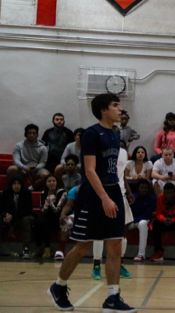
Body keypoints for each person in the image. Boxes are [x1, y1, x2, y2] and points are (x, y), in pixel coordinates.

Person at [47, 93, 136, 312]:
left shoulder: (115, 135)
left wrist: (115, 194)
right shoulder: (91, 134)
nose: (120, 109)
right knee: (83, 246)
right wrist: (104, 198)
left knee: (115, 244)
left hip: (113, 190)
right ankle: (58, 287)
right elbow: (89, 170)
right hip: (94, 195)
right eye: (116, 105)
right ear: (103, 110)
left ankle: (112, 297)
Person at [92, 148, 135, 281]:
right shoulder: (99, 151)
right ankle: (96, 266)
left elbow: (122, 176)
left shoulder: (123, 153)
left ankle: (120, 264)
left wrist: (128, 192)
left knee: (123, 231)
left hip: (120, 194)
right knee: (99, 232)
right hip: (103, 194)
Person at [149, 183, 175, 263]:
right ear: (164, 193)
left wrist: (173, 220)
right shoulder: (161, 198)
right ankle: (158, 251)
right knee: (156, 224)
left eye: (171, 193)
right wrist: (164, 219)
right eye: (167, 193)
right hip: (165, 221)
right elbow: (158, 213)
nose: (169, 195)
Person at [0, 174, 35, 258]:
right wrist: (5, 215)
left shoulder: (26, 192)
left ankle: (26, 249)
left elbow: (27, 210)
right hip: (10, 217)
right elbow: (1, 208)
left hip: (24, 216)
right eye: (14, 183)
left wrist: (13, 216)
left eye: (18, 183)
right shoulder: (6, 193)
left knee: (26, 220)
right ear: (11, 185)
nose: (16, 186)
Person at [33, 175, 67, 259]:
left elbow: (56, 210)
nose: (52, 183)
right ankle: (39, 247)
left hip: (58, 217)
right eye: (49, 181)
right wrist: (47, 198)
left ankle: (48, 249)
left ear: (57, 182)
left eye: (53, 181)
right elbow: (42, 210)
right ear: (45, 184)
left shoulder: (62, 192)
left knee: (43, 223)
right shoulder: (43, 193)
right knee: (36, 222)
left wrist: (50, 196)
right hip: (48, 216)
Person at [7, 123, 49, 191]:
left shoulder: (43, 148)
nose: (31, 135)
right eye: (29, 133)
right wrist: (23, 167)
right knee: (11, 169)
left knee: (46, 175)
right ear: (26, 134)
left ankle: (31, 189)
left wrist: (36, 168)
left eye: (33, 133)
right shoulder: (19, 145)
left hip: (36, 169)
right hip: (22, 168)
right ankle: (12, 190)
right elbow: (15, 159)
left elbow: (43, 162)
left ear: (37, 134)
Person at [128, 179, 156, 262]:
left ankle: (141, 254)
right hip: (131, 221)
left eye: (146, 188)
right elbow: (128, 212)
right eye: (142, 187)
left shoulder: (152, 199)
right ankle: (118, 253)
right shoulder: (133, 197)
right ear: (138, 188)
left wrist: (133, 219)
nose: (144, 190)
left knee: (143, 223)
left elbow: (146, 215)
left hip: (142, 220)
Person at [56, 185, 78, 260]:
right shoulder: (75, 190)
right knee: (66, 221)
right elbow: (68, 205)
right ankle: (61, 250)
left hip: (94, 214)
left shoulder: (98, 188)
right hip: (78, 213)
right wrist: (62, 215)